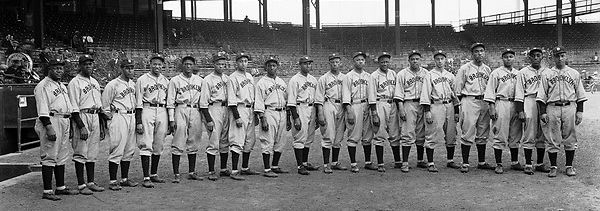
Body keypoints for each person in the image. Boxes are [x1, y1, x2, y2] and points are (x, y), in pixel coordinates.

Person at [537, 46, 587, 177]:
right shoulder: (547, 74)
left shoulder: (574, 73)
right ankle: (553, 166)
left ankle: (569, 166)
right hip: (552, 107)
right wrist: (542, 112)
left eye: (562, 55)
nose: (560, 58)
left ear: (566, 56)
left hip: (569, 106)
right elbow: (541, 96)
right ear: (553, 58)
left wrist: (580, 111)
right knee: (552, 137)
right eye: (557, 56)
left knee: (570, 136)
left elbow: (580, 94)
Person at [34, 58, 79, 201]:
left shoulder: (61, 85)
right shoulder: (43, 85)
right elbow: (42, 108)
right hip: (51, 120)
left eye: (61, 68)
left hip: (64, 119)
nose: (59, 70)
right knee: (50, 154)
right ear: (49, 69)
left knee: (62, 155)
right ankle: (47, 191)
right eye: (56, 68)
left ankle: (60, 187)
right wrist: (49, 127)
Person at [67, 55, 105, 195]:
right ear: (80, 65)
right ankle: (81, 185)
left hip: (95, 116)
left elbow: (100, 107)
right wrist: (81, 125)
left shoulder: (94, 81)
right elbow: (74, 107)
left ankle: (90, 182)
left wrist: (101, 126)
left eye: (90, 63)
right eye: (85, 64)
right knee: (81, 151)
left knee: (92, 152)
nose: (89, 66)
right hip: (82, 116)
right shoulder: (75, 83)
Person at [454, 43, 494, 173]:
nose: (479, 53)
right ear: (472, 54)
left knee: (483, 132)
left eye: (481, 51)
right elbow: (457, 89)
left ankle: (481, 162)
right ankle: (465, 162)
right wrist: (462, 104)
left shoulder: (487, 69)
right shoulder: (465, 68)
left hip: (484, 101)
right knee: (468, 130)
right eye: (476, 51)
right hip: (470, 100)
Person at [420, 50, 461, 172]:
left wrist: (457, 110)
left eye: (442, 58)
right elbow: (426, 94)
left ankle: (450, 160)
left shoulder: (450, 76)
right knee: (432, 133)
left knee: (451, 133)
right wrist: (427, 111)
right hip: (436, 105)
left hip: (449, 105)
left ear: (445, 60)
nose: (439, 61)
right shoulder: (429, 75)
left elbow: (455, 95)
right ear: (434, 60)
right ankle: (431, 162)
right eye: (437, 59)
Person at [483, 49, 522, 174]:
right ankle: (499, 163)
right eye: (506, 57)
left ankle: (515, 162)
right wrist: (492, 107)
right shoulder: (496, 73)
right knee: (500, 133)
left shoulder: (519, 73)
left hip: (515, 103)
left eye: (511, 56)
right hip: (501, 102)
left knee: (515, 134)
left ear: (514, 58)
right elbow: (490, 91)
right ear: (502, 59)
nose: (508, 59)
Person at [166, 56, 205, 183]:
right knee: (178, 140)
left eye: (190, 64)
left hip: (195, 110)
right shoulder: (175, 80)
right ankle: (176, 174)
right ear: (182, 65)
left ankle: (192, 172)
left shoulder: (200, 80)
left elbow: (203, 100)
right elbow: (170, 101)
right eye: (186, 64)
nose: (188, 66)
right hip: (180, 109)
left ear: (194, 65)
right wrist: (171, 119)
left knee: (194, 140)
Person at [101, 59, 138, 191]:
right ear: (121, 69)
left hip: (131, 116)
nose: (130, 70)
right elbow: (104, 105)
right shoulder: (113, 84)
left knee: (129, 149)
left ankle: (124, 179)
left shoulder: (133, 84)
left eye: (132, 67)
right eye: (127, 67)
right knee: (117, 148)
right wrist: (111, 119)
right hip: (119, 116)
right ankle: (112, 181)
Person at [514, 48, 551, 175]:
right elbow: (519, 91)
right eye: (533, 55)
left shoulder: (548, 72)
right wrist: (520, 110)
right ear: (529, 57)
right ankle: (528, 164)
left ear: (542, 57)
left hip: (545, 102)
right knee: (529, 133)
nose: (536, 58)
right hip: (529, 100)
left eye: (538, 55)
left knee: (543, 133)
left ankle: (540, 163)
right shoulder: (523, 72)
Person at [135, 54, 170, 187]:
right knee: (146, 142)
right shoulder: (142, 80)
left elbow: (169, 101)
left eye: (160, 64)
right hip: (147, 109)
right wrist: (139, 120)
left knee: (159, 144)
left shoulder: (166, 81)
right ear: (150, 64)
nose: (157, 66)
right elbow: (138, 102)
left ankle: (154, 174)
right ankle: (146, 177)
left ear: (163, 65)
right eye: (155, 63)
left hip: (162, 110)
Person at [315, 53, 352, 174]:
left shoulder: (345, 77)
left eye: (337, 62)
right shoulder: (323, 78)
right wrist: (320, 113)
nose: (335, 64)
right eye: (333, 62)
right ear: (329, 63)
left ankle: (335, 163)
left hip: (342, 105)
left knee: (339, 136)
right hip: (329, 104)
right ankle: (326, 164)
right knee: (328, 135)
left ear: (340, 63)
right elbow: (319, 98)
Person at [254, 56, 289, 178]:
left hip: (282, 112)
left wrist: (288, 118)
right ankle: (267, 168)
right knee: (267, 140)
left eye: (274, 65)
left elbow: (287, 100)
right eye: (269, 65)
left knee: (281, 140)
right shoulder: (261, 83)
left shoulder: (282, 82)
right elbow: (259, 101)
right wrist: (262, 118)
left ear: (277, 67)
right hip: (269, 112)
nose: (272, 67)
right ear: (266, 67)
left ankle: (274, 166)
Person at [344, 52, 378, 173]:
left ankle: (368, 162)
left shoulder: (369, 76)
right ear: (354, 61)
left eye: (362, 60)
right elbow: (346, 96)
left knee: (368, 135)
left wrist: (373, 111)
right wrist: (349, 111)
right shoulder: (348, 76)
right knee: (354, 135)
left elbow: (372, 94)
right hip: (355, 105)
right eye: (357, 59)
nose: (360, 62)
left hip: (367, 105)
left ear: (365, 61)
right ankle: (353, 163)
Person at [394, 50, 428, 173]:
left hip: (422, 104)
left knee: (421, 133)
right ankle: (405, 162)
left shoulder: (426, 73)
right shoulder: (402, 74)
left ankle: (420, 160)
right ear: (408, 60)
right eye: (412, 59)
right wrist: (401, 108)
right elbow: (398, 93)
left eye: (417, 59)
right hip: (408, 103)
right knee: (407, 133)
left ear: (420, 60)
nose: (415, 61)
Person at [227, 52, 259, 180]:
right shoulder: (233, 77)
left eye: (245, 61)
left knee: (250, 140)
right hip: (239, 108)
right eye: (241, 61)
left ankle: (245, 168)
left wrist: (255, 114)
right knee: (237, 139)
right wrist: (237, 116)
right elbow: (232, 99)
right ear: (236, 63)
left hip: (250, 109)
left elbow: (254, 96)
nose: (243, 63)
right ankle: (234, 170)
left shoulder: (250, 77)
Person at [287, 56, 320, 175]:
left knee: (309, 137)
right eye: (305, 63)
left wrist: (316, 116)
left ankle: (305, 163)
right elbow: (291, 101)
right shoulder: (294, 80)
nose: (307, 66)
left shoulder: (313, 80)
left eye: (309, 63)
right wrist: (295, 117)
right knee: (300, 136)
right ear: (300, 65)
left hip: (312, 108)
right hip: (300, 107)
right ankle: (300, 166)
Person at [200, 54, 231, 180]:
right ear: (214, 64)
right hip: (214, 108)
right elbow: (203, 102)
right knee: (214, 140)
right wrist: (208, 119)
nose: (221, 66)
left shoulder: (227, 78)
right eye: (219, 64)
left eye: (223, 64)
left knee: (225, 140)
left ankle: (223, 169)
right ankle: (211, 171)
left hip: (226, 108)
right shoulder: (208, 79)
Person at [369, 52, 399, 172]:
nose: (385, 64)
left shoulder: (393, 74)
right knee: (380, 133)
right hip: (380, 103)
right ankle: (380, 163)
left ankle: (397, 161)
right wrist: (374, 113)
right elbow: (371, 95)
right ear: (379, 62)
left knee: (395, 133)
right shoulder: (374, 76)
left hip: (393, 104)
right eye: (382, 62)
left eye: (387, 61)